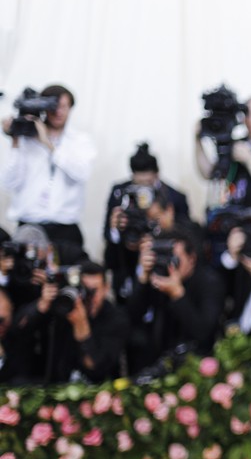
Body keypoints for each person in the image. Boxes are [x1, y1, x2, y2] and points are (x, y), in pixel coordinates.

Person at [0, 84, 96, 249]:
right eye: (53, 106)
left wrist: (48, 144)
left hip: (65, 229)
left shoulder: (80, 141)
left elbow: (82, 173)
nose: (58, 112)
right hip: (28, 227)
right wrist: (15, 141)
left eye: (63, 106)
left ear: (71, 108)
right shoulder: (26, 139)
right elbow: (9, 183)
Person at [126, 230, 224, 375]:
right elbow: (132, 317)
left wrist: (177, 294)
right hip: (159, 358)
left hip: (196, 363)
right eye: (162, 257)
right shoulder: (158, 276)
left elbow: (204, 333)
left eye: (175, 259)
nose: (168, 265)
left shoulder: (209, 282)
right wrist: (143, 278)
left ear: (192, 259)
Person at [104, 143, 190, 302]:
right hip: (126, 266)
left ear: (156, 175)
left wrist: (164, 226)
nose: (143, 189)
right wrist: (117, 230)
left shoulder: (175, 197)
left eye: (148, 183)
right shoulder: (120, 193)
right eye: (138, 184)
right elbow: (108, 235)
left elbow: (187, 238)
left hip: (161, 264)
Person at [195, 95, 251, 209]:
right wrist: (198, 141)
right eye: (248, 115)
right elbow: (209, 173)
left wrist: (249, 159)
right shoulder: (233, 145)